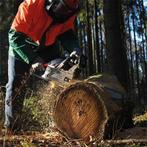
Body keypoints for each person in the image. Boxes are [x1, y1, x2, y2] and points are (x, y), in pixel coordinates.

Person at [4, 0, 83, 133]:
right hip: (21, 46)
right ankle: (12, 127)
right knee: (15, 84)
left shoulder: (68, 13)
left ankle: (60, 124)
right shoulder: (30, 6)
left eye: (68, 11)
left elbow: (67, 34)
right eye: (62, 9)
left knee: (61, 77)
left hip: (48, 47)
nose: (64, 14)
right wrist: (33, 59)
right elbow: (15, 37)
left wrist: (75, 49)